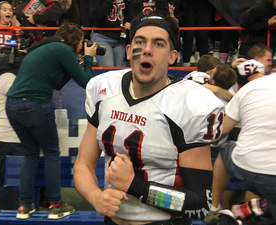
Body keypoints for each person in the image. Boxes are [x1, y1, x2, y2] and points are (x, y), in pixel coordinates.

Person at [73, 11, 225, 224]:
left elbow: (200, 204)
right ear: (128, 51)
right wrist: (96, 197)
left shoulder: (189, 103)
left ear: (172, 56)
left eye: (159, 44)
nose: (146, 50)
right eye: (140, 41)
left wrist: (135, 186)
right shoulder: (104, 89)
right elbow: (82, 165)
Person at [5, 22, 96, 220]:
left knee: (31, 153)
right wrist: (88, 58)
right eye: (82, 42)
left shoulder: (49, 46)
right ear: (76, 41)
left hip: (12, 105)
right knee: (51, 152)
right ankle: (56, 204)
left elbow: (56, 84)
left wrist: (76, 64)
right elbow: (87, 83)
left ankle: (24, 206)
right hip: (35, 104)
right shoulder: (63, 49)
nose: (82, 46)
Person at [204, 59, 276, 224]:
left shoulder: (251, 87)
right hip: (256, 168)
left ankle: (214, 208)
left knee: (226, 150)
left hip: (249, 166)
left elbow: (221, 133)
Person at [0, 71, 25, 214]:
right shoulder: (8, 77)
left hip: (18, 140)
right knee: (12, 190)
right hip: (10, 140)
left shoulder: (14, 78)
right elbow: (22, 100)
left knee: (19, 189)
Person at [89, 0, 134, 67]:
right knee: (108, 70)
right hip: (102, 36)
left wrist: (128, 21)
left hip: (120, 38)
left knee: (118, 72)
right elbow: (95, 14)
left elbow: (128, 10)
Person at [181, 0, 215, 67]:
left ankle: (205, 66)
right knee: (188, 36)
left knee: (202, 36)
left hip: (205, 5)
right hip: (187, 4)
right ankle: (185, 65)